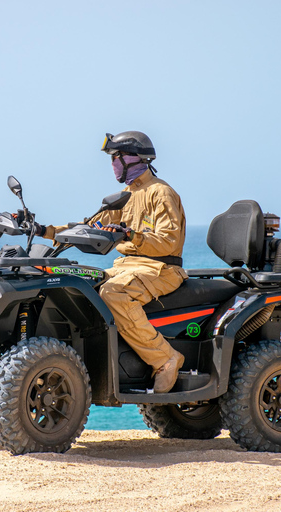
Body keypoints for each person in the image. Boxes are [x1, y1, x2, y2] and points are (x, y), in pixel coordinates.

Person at [36, 131, 187, 393]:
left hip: (160, 268)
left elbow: (169, 242)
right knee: (81, 285)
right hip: (127, 267)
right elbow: (85, 228)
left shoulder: (160, 193)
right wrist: (43, 230)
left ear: (134, 158)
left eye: (116, 157)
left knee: (113, 293)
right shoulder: (124, 196)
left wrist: (131, 235)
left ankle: (165, 359)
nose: (113, 163)